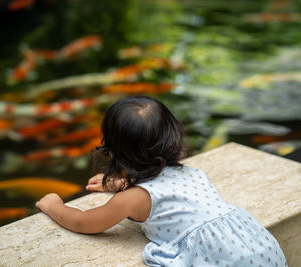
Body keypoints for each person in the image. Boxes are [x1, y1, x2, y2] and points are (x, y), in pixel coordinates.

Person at [36, 95, 287, 267]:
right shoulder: (191, 174)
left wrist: (53, 205)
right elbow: (161, 189)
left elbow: (84, 222)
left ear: (115, 152)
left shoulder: (134, 198)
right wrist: (119, 184)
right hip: (261, 249)